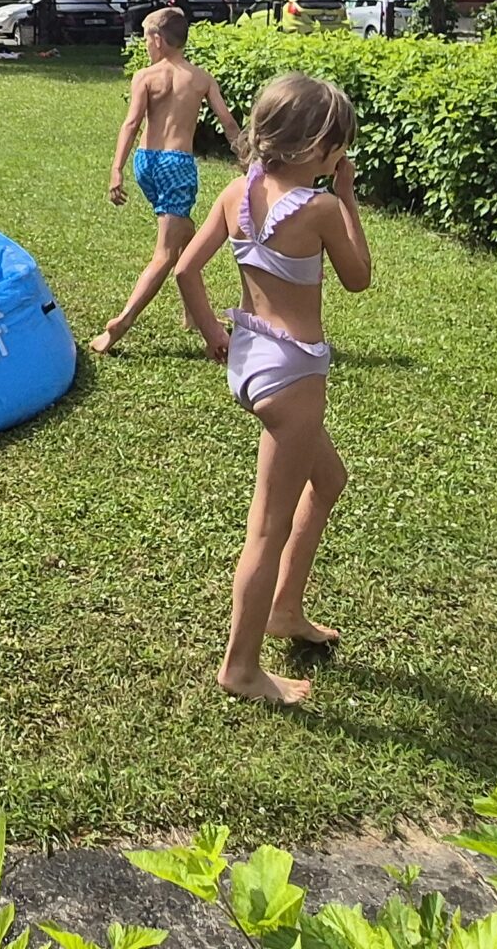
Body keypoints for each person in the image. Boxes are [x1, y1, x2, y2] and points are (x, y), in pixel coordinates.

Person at [177, 73, 370, 706]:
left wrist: (213, 333)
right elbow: (358, 278)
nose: (341, 157)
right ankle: (240, 668)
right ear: (319, 149)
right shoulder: (320, 208)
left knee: (329, 480)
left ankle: (285, 609)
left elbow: (186, 269)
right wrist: (348, 200)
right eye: (339, 147)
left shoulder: (237, 191)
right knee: (266, 529)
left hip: (251, 356)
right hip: (295, 372)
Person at [94, 8, 247, 359]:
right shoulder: (200, 78)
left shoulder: (145, 77)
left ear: (158, 40)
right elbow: (228, 123)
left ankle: (193, 312)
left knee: (186, 235)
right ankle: (122, 323)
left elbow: (131, 124)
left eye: (146, 38)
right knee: (165, 253)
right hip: (177, 166)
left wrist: (117, 169)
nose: (146, 45)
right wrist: (246, 160)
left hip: (146, 163)